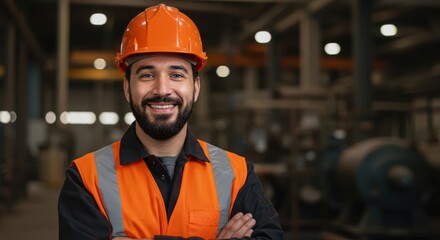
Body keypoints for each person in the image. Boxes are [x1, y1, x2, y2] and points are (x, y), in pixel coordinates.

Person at [58, 3, 283, 240]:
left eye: (176, 75)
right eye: (147, 75)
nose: (162, 89)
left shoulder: (237, 174)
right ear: (127, 88)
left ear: (195, 88)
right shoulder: (86, 177)